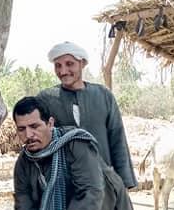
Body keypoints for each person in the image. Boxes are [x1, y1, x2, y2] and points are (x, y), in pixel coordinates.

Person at [12, 96, 137, 210]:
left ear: (50, 123)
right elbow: (24, 209)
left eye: (35, 126)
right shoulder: (23, 163)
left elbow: (90, 192)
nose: (28, 135)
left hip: (106, 207)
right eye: (21, 129)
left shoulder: (76, 145)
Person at [36, 41, 137, 189]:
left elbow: (117, 139)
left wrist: (124, 183)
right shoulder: (46, 99)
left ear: (82, 63)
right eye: (58, 65)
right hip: (65, 187)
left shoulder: (103, 95)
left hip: (104, 184)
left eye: (69, 64)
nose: (63, 71)